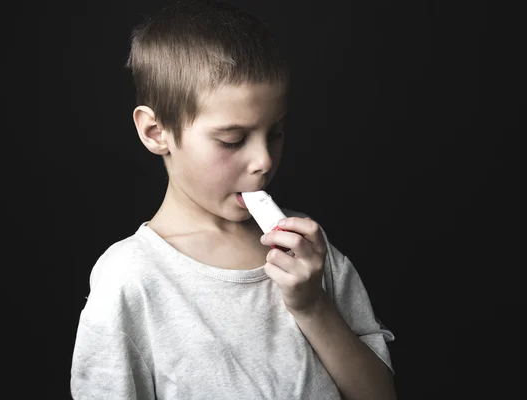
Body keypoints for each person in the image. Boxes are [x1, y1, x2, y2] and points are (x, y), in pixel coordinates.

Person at [70, 1, 396, 398]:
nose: (263, 161)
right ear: (157, 132)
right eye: (233, 140)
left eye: (275, 132)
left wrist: (312, 306)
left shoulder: (308, 252)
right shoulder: (132, 279)